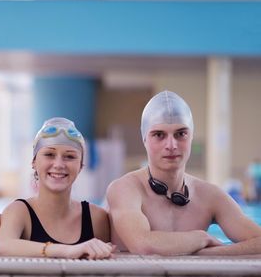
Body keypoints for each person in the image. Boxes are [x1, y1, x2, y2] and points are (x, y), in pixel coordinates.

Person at [106, 90, 261, 255]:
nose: (171, 145)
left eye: (181, 134)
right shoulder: (125, 189)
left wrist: (210, 254)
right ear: (144, 139)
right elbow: (143, 245)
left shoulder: (210, 195)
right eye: (159, 135)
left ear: (191, 136)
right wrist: (202, 238)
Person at [0, 117, 113, 260]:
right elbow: (0, 246)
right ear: (34, 162)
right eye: (49, 154)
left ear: (80, 166)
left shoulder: (96, 218)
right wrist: (67, 251)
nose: (59, 164)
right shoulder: (19, 211)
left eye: (69, 156)